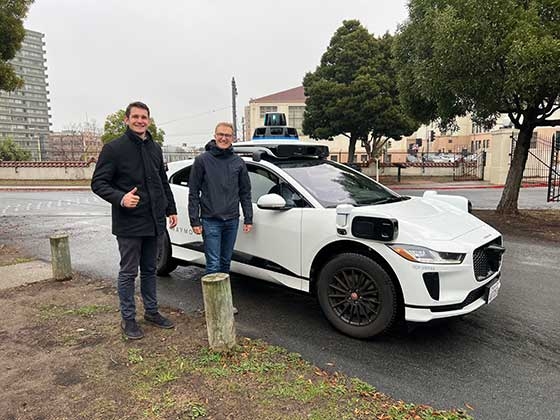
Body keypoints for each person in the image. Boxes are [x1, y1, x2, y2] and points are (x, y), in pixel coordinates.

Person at [91, 101, 178, 340]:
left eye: (144, 117)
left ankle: (151, 311)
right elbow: (98, 183)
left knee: (150, 269)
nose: (140, 121)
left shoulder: (155, 148)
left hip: (154, 221)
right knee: (128, 272)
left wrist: (170, 208)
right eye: (136, 117)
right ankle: (128, 319)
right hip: (129, 223)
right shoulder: (114, 148)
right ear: (127, 120)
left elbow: (162, 181)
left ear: (148, 120)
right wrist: (120, 198)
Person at [188, 122, 252, 312]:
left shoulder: (238, 163)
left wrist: (248, 218)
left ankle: (223, 302)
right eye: (220, 134)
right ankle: (212, 306)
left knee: (225, 262)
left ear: (233, 138)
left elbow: (245, 193)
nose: (224, 138)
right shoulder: (202, 160)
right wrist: (195, 220)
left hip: (231, 220)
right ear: (215, 135)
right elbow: (194, 192)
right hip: (210, 220)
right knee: (213, 263)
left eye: (228, 135)